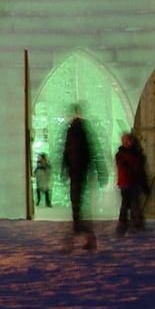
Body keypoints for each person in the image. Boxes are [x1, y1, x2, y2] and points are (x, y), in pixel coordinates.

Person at [61, 105, 104, 250]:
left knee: (77, 205)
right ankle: (83, 235)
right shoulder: (79, 130)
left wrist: (65, 167)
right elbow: (90, 150)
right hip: (79, 171)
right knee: (78, 205)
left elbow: (70, 151)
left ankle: (80, 235)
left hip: (78, 172)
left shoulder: (76, 130)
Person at [114, 132, 149, 236]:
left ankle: (133, 224)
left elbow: (139, 168)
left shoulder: (133, 153)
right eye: (129, 140)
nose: (131, 142)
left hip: (131, 182)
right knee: (128, 203)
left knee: (133, 203)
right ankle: (126, 224)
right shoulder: (123, 154)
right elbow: (132, 167)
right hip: (126, 182)